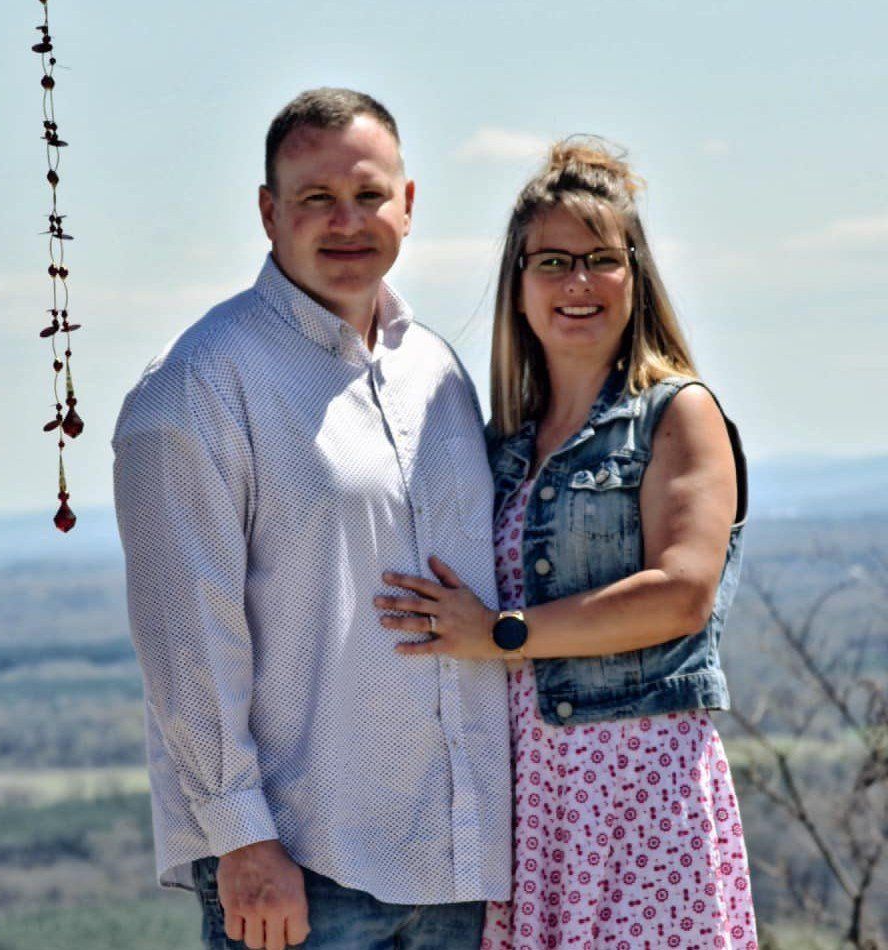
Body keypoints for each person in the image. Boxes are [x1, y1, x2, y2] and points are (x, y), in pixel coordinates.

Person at [112, 88, 512, 950]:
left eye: (368, 195)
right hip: (304, 871)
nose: (346, 221)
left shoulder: (437, 371)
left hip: (458, 866)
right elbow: (187, 638)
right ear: (268, 212)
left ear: (409, 204)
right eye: (315, 200)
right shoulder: (201, 385)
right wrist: (243, 841)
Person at [374, 139, 758, 948]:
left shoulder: (676, 414)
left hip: (643, 791)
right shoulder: (503, 447)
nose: (577, 282)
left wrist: (505, 633)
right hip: (531, 802)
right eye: (552, 260)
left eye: (600, 259)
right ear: (517, 285)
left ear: (635, 276)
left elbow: (682, 593)